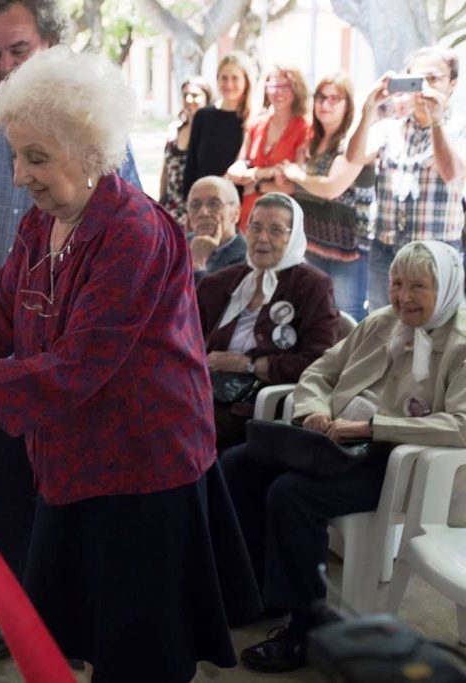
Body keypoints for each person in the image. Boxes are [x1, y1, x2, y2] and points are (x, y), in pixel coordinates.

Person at [0, 47, 256, 682]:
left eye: (37, 158)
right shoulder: (44, 222)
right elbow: (3, 305)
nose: (19, 176)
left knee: (140, 653)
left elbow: (77, 367)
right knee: (88, 633)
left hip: (142, 472)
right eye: (16, 156)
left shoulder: (134, 232)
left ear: (90, 154)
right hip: (74, 462)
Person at [0, 0, 143, 660]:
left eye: (18, 50)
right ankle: (27, 615)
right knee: (13, 496)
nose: (4, 65)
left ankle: (77, 620)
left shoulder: (118, 193)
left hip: (95, 394)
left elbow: (83, 358)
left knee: (73, 501)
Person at [221, 240, 466, 673]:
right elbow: (320, 371)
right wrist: (313, 408)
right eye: (396, 283)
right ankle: (257, 592)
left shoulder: (460, 343)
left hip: (397, 462)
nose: (403, 297)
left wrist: (374, 428)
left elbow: (461, 425)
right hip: (337, 443)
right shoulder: (381, 322)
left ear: (444, 289)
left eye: (418, 287)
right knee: (238, 465)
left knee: (292, 495)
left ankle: (307, 630)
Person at [197, 193, 340, 450]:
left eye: (275, 230)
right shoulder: (222, 282)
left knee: (182, 428)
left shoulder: (311, 286)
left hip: (255, 404)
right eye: (256, 227)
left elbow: (320, 361)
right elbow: (188, 337)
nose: (262, 238)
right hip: (204, 391)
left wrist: (248, 365)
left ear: (293, 236)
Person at [346, 47, 466, 312]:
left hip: (437, 253)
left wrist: (436, 122)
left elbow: (452, 173)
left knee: (436, 333)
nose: (424, 87)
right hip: (386, 250)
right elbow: (353, 157)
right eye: (417, 79)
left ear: (452, 85)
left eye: (433, 79)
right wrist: (368, 108)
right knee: (382, 329)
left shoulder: (460, 127)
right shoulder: (390, 128)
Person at [280, 73, 374, 321]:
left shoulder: (351, 144)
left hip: (347, 250)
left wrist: (298, 176)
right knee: (314, 312)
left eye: (335, 99)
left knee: (348, 316)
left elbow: (331, 188)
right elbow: (295, 187)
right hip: (312, 246)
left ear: (348, 105)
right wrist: (298, 178)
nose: (325, 104)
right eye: (321, 97)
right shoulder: (311, 143)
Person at [228, 65, 311, 229]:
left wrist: (255, 183)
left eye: (286, 86)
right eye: (273, 85)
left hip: (281, 217)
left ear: (297, 89)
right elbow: (234, 173)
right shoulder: (256, 124)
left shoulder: (305, 128)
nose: (279, 92)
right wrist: (267, 173)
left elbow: (292, 186)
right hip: (249, 214)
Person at [182, 51, 256, 198]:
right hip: (203, 200)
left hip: (237, 204)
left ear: (246, 81)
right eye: (224, 78)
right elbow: (191, 165)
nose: (229, 84)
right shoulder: (203, 116)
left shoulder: (253, 119)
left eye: (235, 78)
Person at [160, 76, 212, 224]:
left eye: (195, 96)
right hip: (170, 208)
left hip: (195, 210)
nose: (189, 100)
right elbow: (166, 170)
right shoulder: (174, 129)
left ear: (206, 98)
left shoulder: (209, 133)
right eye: (185, 95)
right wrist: (161, 201)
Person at [186, 175, 247, 283]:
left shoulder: (247, 257)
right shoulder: (180, 244)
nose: (203, 213)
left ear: (236, 213)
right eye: (195, 205)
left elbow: (209, 299)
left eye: (214, 204)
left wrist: (197, 263)